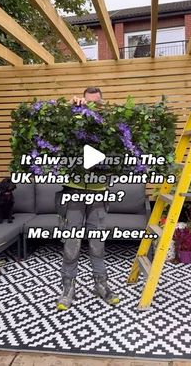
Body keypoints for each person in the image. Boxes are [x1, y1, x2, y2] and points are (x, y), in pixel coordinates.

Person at [56, 87, 120, 311]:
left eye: (97, 104)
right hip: (73, 192)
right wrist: (70, 106)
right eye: (88, 103)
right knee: (71, 245)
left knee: (97, 244)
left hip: (99, 193)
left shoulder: (108, 127)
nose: (92, 107)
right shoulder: (74, 120)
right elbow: (56, 126)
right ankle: (68, 289)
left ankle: (101, 285)